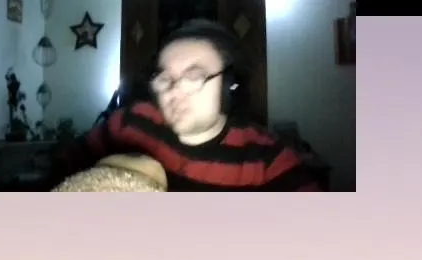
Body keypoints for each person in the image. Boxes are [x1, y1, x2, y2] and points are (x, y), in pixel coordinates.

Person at [50, 19, 320, 190]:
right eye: (165, 78)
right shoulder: (130, 123)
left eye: (193, 77)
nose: (174, 91)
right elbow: (60, 172)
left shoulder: (266, 159)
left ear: (229, 86)